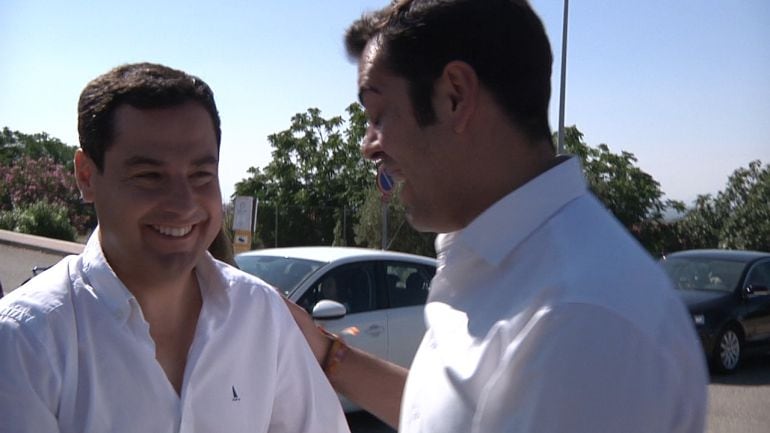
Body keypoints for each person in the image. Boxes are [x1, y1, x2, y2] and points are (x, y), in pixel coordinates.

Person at [288, 1, 708, 432]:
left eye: (378, 115)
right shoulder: (514, 271)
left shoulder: (581, 319)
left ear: (455, 96)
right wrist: (325, 354)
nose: (368, 145)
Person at [0, 63, 349, 433]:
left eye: (201, 175)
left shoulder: (261, 315)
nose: (183, 204)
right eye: (149, 175)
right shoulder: (24, 340)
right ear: (87, 176)